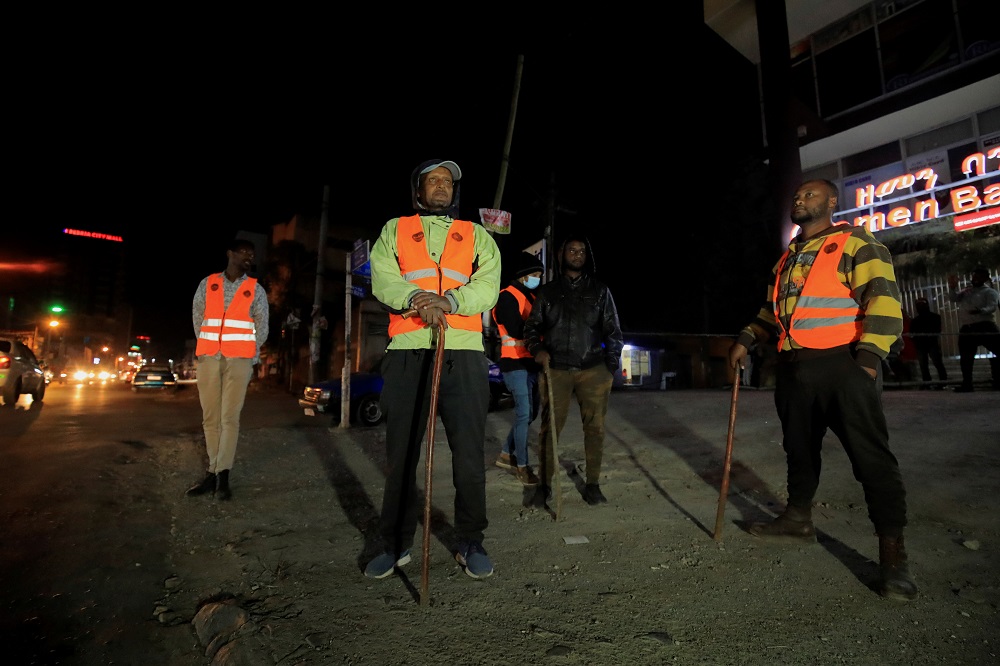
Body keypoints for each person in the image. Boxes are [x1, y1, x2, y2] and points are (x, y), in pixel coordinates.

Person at [727, 179, 917, 601]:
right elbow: (771, 312)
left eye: (810, 194)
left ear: (832, 201)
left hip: (842, 365)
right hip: (794, 369)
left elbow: (883, 300)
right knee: (798, 450)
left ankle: (893, 557)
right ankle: (798, 521)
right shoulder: (787, 260)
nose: (799, 198)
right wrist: (746, 337)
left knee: (871, 459)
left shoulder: (856, 243)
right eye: (796, 195)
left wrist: (866, 363)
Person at [364, 159, 501, 580]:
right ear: (418, 190)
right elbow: (383, 278)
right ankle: (395, 542)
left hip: (463, 352)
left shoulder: (477, 235)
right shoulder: (396, 229)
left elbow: (488, 283)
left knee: (469, 454)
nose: (440, 186)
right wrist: (420, 298)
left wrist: (452, 302)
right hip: (409, 350)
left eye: (447, 182)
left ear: (453, 192)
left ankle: (470, 540)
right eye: (432, 181)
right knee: (402, 453)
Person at [524, 233, 623, 506]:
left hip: (593, 369)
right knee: (549, 430)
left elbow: (614, 331)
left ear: (586, 256)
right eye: (572, 250)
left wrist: (609, 368)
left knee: (595, 429)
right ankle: (544, 487)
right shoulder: (547, 293)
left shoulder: (600, 291)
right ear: (561, 255)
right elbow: (531, 328)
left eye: (581, 251)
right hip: (556, 370)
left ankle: (592, 484)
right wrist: (537, 349)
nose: (577, 254)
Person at [186, 238, 269, 501]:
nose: (249, 257)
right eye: (244, 252)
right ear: (230, 254)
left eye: (252, 255)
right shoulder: (208, 283)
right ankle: (212, 472)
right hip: (210, 358)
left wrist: (249, 353)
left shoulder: (256, 289)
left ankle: (223, 476)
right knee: (210, 418)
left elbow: (262, 326)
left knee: (229, 419)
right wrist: (209, 346)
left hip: (240, 360)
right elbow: (197, 317)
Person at [492, 251, 545, 487]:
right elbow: (515, 329)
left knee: (530, 414)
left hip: (530, 364)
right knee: (524, 414)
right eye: (535, 274)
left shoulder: (531, 298)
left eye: (540, 275)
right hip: (514, 363)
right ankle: (522, 467)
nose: (538, 278)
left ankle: (505, 454)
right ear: (523, 276)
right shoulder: (506, 297)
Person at [947, 267, 1000, 392]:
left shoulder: (989, 292)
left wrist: (980, 311)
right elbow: (954, 298)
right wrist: (952, 287)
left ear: (985, 278)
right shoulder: (967, 291)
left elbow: (992, 307)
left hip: (985, 325)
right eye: (974, 276)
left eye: (978, 277)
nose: (975, 279)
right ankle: (967, 384)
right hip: (968, 327)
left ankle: (998, 380)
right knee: (966, 357)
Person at [909, 296, 947, 387]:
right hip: (921, 344)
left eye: (922, 304)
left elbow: (937, 330)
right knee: (923, 365)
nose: (920, 306)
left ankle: (943, 382)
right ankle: (927, 382)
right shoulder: (915, 321)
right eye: (918, 304)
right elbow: (912, 333)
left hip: (931, 343)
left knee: (937, 362)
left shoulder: (935, 317)